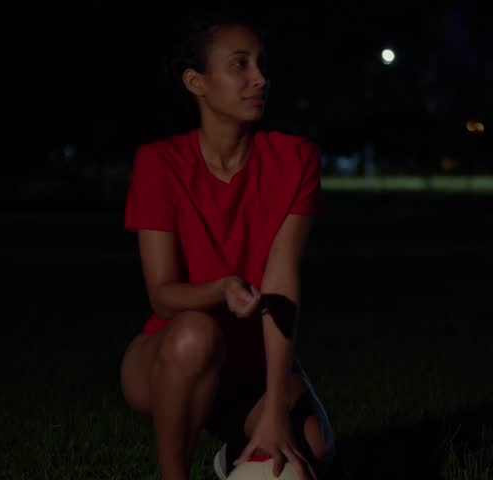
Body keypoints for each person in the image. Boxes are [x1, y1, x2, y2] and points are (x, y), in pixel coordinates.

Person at [118, 11, 336, 480]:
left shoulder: (295, 158)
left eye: (260, 64)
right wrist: (221, 289)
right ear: (196, 82)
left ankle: (237, 450)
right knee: (196, 332)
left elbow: (282, 285)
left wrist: (277, 408)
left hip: (254, 362)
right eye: (240, 65)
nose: (259, 78)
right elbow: (162, 293)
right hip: (173, 355)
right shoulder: (159, 163)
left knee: (311, 450)